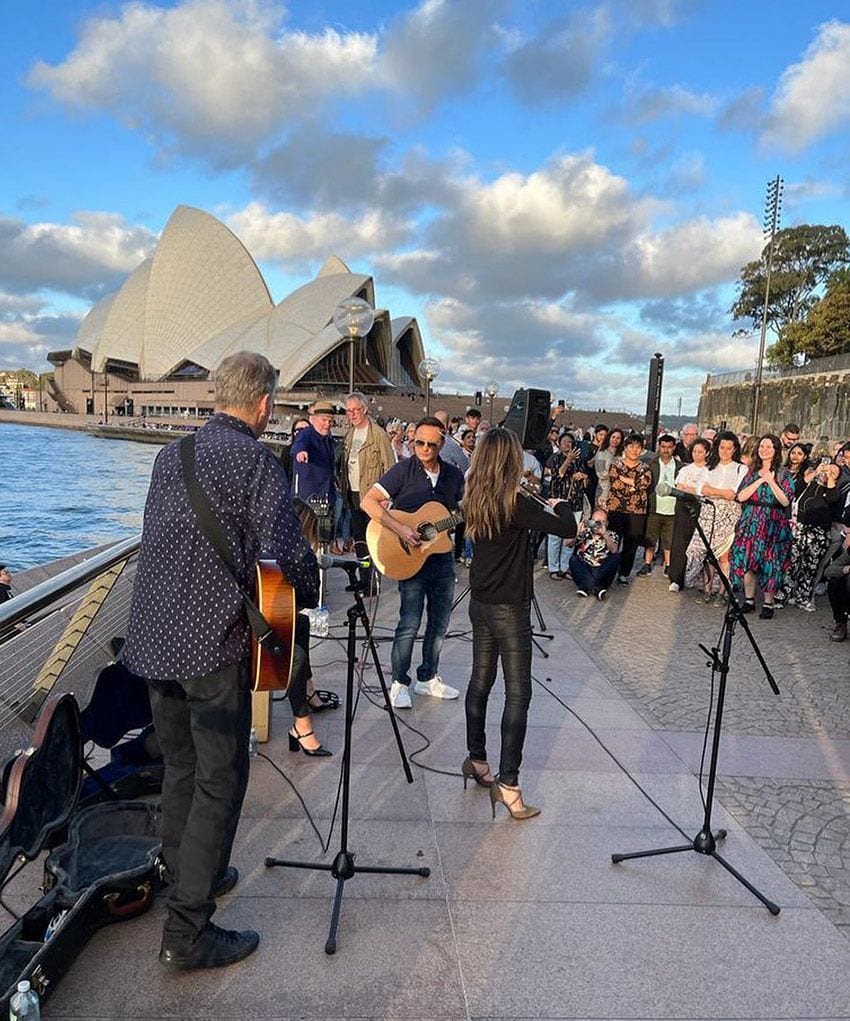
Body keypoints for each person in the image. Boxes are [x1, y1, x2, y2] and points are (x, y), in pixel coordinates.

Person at [122, 351, 319, 971]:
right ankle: (187, 931)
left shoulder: (169, 455)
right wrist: (312, 585)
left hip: (155, 641)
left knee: (180, 766)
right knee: (220, 779)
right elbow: (283, 559)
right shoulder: (258, 461)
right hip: (212, 647)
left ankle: (184, 873)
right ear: (263, 403)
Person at [462, 429, 577, 819]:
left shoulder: (475, 496)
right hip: (509, 608)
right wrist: (560, 505)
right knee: (518, 694)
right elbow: (568, 528)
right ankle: (509, 784)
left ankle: (477, 760)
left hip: (480, 602)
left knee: (480, 683)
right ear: (511, 461)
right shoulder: (515, 501)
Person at [360, 417, 465, 709]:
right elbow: (368, 502)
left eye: (431, 444)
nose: (425, 449)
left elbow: (463, 510)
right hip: (408, 556)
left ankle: (427, 677)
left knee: (440, 622)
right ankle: (399, 682)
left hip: (442, 557)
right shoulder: (402, 471)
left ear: (442, 444)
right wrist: (400, 528)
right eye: (419, 442)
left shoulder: (454, 476)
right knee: (409, 621)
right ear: (413, 440)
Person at [731, 434, 793, 619]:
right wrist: (761, 479)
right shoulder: (751, 472)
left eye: (768, 447)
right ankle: (749, 600)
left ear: (776, 451)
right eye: (762, 446)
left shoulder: (784, 474)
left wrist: (772, 481)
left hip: (773, 521)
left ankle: (768, 602)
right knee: (748, 559)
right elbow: (741, 496)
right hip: (751, 519)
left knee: (771, 562)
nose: (763, 450)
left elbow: (785, 500)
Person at [684, 431, 747, 602]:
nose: (725, 451)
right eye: (722, 447)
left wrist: (712, 491)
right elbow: (700, 489)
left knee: (723, 556)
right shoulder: (708, 467)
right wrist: (718, 492)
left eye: (729, 448)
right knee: (706, 553)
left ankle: (722, 592)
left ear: (734, 450)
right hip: (708, 514)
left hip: (729, 515)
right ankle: (707, 589)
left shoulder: (741, 468)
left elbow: (733, 493)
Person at [341, 392, 395, 578]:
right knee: (360, 539)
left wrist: (386, 497)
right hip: (354, 493)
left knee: (373, 538)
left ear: (365, 410)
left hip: (372, 495)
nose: (352, 414)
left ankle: (373, 580)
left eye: (356, 410)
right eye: (348, 411)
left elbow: (390, 467)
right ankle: (363, 578)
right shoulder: (350, 434)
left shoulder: (378, 435)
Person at [787, 453, 840, 611]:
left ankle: (803, 597)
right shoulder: (812, 483)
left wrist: (830, 478)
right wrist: (817, 473)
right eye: (828, 469)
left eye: (834, 472)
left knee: (811, 567)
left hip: (819, 533)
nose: (829, 471)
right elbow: (797, 488)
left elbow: (832, 499)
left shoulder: (833, 489)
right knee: (792, 563)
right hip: (802, 528)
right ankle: (783, 594)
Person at [607, 433, 653, 584]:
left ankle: (623, 573)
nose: (634, 450)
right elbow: (615, 484)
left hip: (637, 512)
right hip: (616, 509)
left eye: (638, 447)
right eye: (631, 446)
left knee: (631, 544)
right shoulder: (615, 465)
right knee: (612, 541)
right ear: (625, 448)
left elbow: (643, 485)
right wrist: (634, 484)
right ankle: (607, 571)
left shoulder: (646, 468)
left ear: (642, 450)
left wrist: (625, 480)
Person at [667, 437, 711, 592]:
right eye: (694, 451)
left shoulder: (710, 470)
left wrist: (692, 489)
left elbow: (704, 490)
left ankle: (701, 579)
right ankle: (676, 579)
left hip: (702, 507)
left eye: (700, 452)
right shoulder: (685, 469)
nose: (697, 454)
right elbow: (680, 487)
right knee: (679, 541)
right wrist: (693, 489)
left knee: (701, 543)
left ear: (706, 453)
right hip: (684, 506)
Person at [543, 431, 587, 578]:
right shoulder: (555, 458)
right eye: (564, 442)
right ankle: (553, 568)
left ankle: (565, 567)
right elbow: (558, 475)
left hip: (575, 501)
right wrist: (568, 460)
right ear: (559, 444)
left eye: (570, 442)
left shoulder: (579, 460)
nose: (567, 445)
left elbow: (586, 480)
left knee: (570, 535)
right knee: (555, 536)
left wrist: (583, 476)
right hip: (558, 501)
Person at [637, 434, 679, 577]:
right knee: (650, 538)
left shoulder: (680, 466)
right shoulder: (651, 464)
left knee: (669, 540)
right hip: (654, 507)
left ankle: (668, 565)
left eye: (669, 447)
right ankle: (647, 564)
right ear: (659, 447)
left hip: (672, 508)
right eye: (663, 447)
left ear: (674, 448)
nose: (666, 450)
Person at [290, 400, 336, 507]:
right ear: (314, 419)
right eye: (324, 420)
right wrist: (301, 452)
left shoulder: (329, 439)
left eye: (330, 421)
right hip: (306, 498)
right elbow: (298, 445)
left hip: (326, 496)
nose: (327, 424)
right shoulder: (306, 434)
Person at [568, 508, 620, 598]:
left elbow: (614, 550)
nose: (597, 525)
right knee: (573, 559)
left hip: (601, 570)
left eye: (601, 522)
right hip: (585, 569)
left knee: (616, 557)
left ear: (606, 523)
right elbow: (569, 544)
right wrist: (577, 532)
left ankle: (587, 586)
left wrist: (605, 535)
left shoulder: (612, 534)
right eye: (595, 522)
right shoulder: (586, 533)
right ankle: (596, 587)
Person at [594, 427, 624, 510]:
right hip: (603, 491)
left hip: (618, 492)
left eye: (618, 438)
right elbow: (601, 474)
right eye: (613, 437)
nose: (615, 440)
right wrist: (617, 475)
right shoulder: (601, 454)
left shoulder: (622, 455)